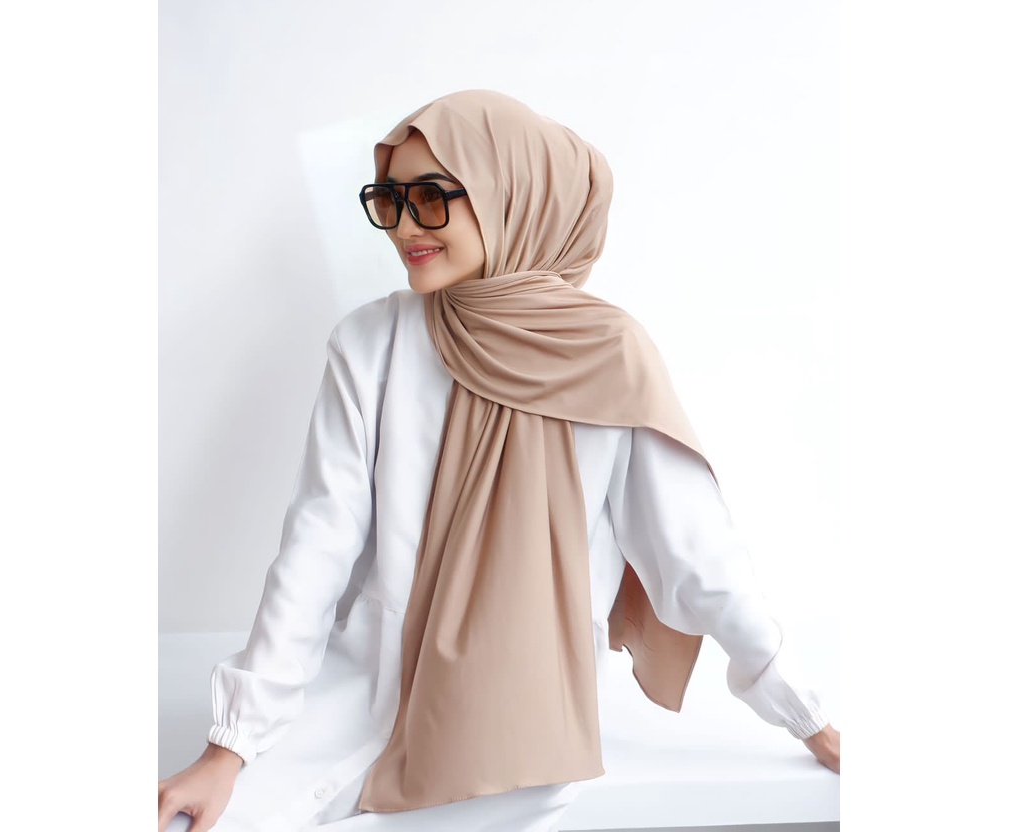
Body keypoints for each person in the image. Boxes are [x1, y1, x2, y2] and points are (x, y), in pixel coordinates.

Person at [158, 89, 840, 832]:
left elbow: (697, 555)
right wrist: (230, 745)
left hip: (524, 716)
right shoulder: (371, 344)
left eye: (431, 197)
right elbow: (317, 547)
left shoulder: (607, 354)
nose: (405, 226)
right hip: (367, 685)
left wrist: (807, 718)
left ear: (513, 195)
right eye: (390, 200)